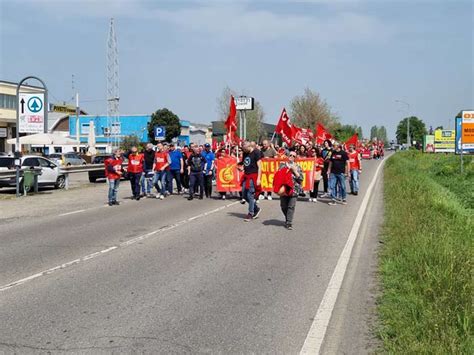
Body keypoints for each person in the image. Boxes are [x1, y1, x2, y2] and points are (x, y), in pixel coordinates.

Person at [278, 151, 303, 230]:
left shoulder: (298, 167)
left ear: (295, 158)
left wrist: (295, 171)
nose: (292, 156)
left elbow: (301, 179)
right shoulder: (282, 165)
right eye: (290, 155)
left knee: (291, 206)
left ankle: (289, 222)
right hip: (284, 189)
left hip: (294, 189)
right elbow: (278, 175)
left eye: (294, 156)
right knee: (283, 206)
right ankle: (288, 217)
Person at [239, 141, 262, 221]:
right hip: (246, 175)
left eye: (244, 149)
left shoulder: (256, 152)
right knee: (244, 195)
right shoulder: (245, 153)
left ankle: (251, 213)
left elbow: (260, 166)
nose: (244, 151)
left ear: (249, 147)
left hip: (253, 176)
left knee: (250, 195)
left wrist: (259, 178)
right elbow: (246, 163)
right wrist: (242, 168)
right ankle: (256, 208)